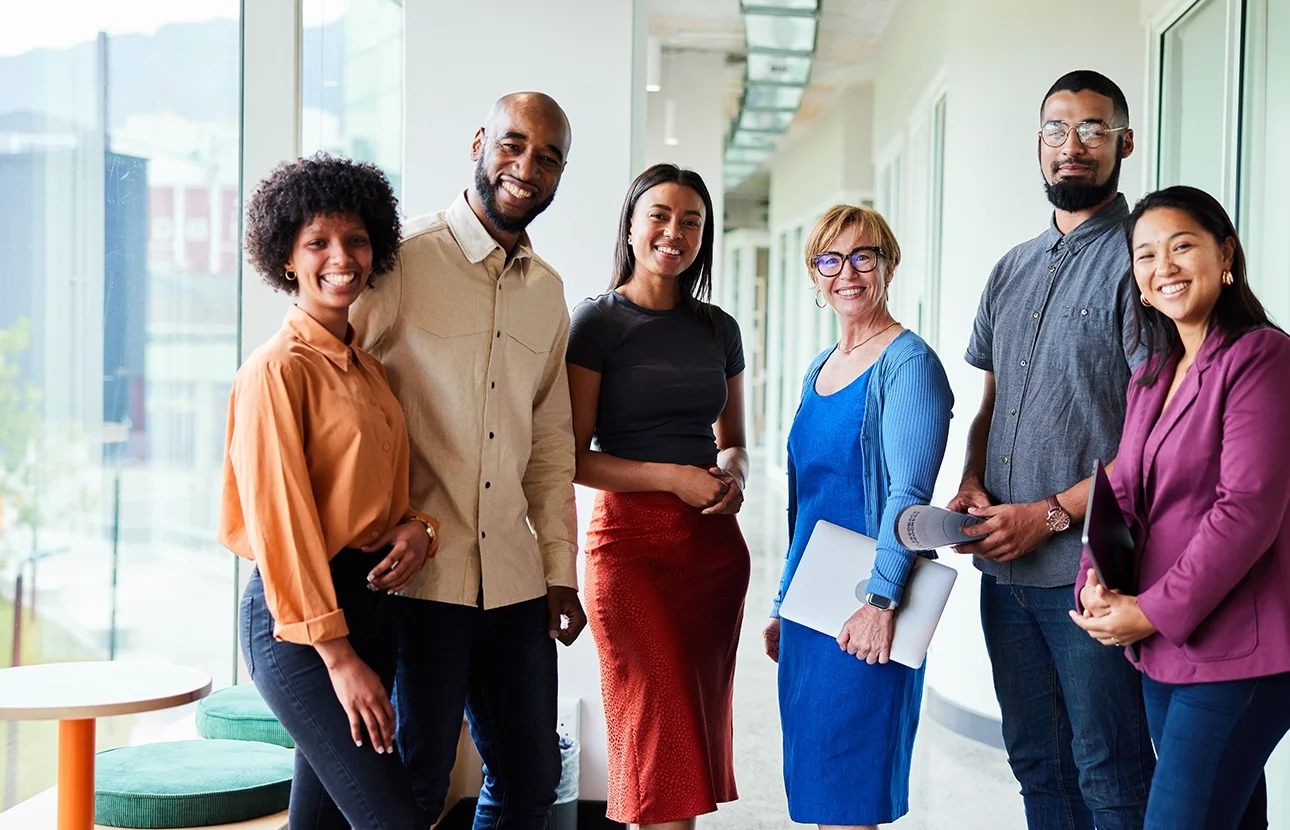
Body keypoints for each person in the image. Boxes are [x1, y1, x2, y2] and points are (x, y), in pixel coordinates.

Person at [349, 91, 585, 830]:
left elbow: (549, 446)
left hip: (514, 582)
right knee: (413, 787)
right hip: (418, 581)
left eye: (549, 158)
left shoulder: (548, 293)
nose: (527, 167)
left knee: (530, 780)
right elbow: (337, 403)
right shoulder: (399, 265)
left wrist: (558, 571)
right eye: (515, 145)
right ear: (481, 140)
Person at [946, 70, 1155, 829]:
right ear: (1038, 147)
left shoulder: (1143, 260)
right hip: (1004, 576)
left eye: (1094, 129)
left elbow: (1158, 434)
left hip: (1095, 575)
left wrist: (1051, 515)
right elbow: (993, 405)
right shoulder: (1011, 268)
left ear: (1124, 143)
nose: (1074, 146)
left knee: (1111, 773)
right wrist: (973, 479)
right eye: (1058, 130)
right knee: (1037, 764)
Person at [220, 154, 437, 830]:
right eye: (318, 241)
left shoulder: (369, 369)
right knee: (393, 820)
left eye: (356, 239)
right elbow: (281, 526)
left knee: (320, 823)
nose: (341, 257)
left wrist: (417, 528)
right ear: (285, 258)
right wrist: (338, 658)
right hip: (301, 628)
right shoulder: (275, 371)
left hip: (369, 603)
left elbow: (383, 491)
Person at [1069, 186, 1290, 830]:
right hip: (1164, 650)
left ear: (1226, 256)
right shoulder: (1153, 374)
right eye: (1145, 255)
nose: (1163, 266)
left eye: (1182, 246)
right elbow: (1124, 496)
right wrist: (1096, 583)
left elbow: (1246, 509)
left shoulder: (1262, 357)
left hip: (1236, 653)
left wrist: (1149, 611)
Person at [566, 163, 750, 830]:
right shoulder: (596, 322)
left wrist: (733, 479)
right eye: (661, 216)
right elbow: (573, 457)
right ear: (632, 225)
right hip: (629, 551)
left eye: (692, 221)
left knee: (683, 756)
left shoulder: (718, 329)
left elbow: (734, 443)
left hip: (710, 554)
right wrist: (672, 477)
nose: (675, 232)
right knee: (656, 736)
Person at [761, 204, 953, 829]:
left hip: (868, 609)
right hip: (810, 612)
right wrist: (782, 600)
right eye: (830, 259)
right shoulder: (821, 367)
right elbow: (806, 505)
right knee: (821, 797)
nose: (847, 271)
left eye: (863, 256)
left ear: (888, 266)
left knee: (850, 800)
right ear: (815, 274)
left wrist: (879, 601)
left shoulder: (908, 364)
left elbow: (909, 496)